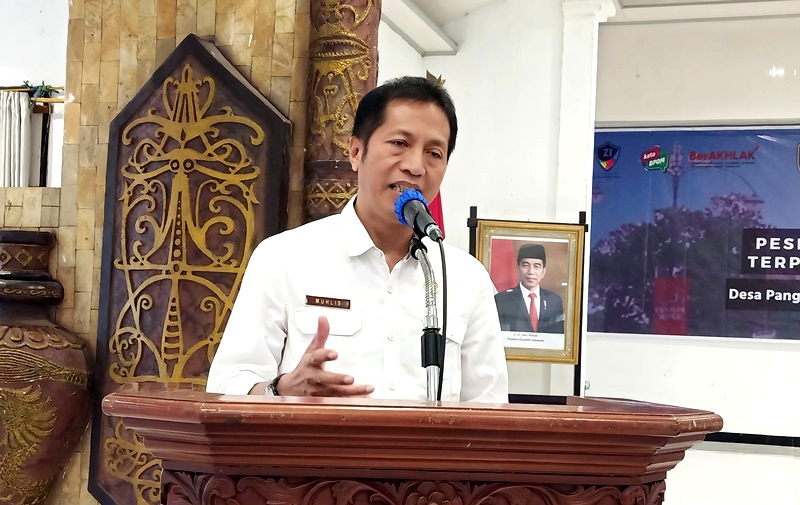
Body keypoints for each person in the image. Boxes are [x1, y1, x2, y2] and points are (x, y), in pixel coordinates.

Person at [206, 76, 508, 402]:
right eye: (399, 143)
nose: (415, 166)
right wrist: (280, 389)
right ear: (355, 151)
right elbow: (228, 385)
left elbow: (489, 408)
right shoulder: (283, 258)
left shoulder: (465, 277)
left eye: (434, 153)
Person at [494, 244, 565, 333]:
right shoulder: (502, 300)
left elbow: (558, 334)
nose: (531, 272)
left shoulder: (554, 301)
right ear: (518, 268)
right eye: (526, 265)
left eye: (537, 266)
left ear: (543, 272)